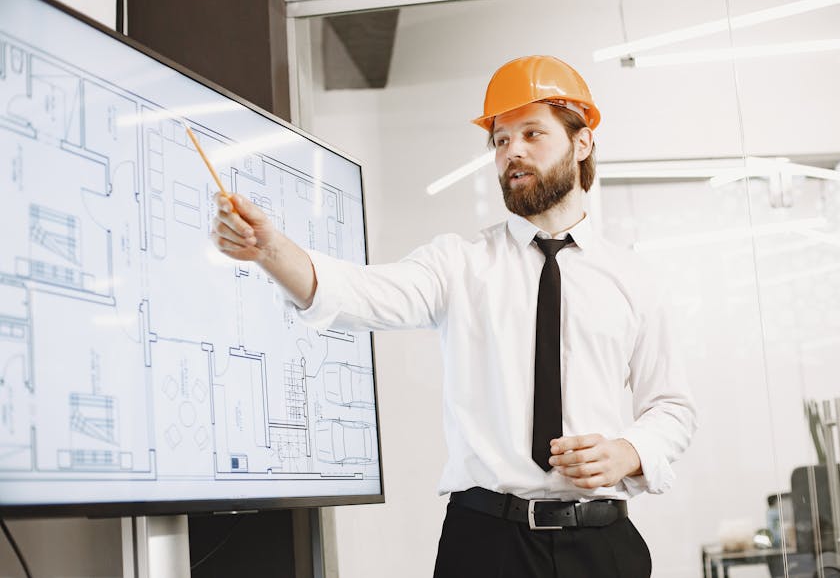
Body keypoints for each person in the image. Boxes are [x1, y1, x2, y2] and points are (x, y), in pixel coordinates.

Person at [210, 55, 696, 578]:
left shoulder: (633, 277)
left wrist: (628, 451)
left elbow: (671, 407)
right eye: (501, 140)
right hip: (486, 547)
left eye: (532, 133)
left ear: (582, 143)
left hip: (603, 547)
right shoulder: (459, 264)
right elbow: (359, 293)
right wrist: (271, 250)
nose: (513, 152)